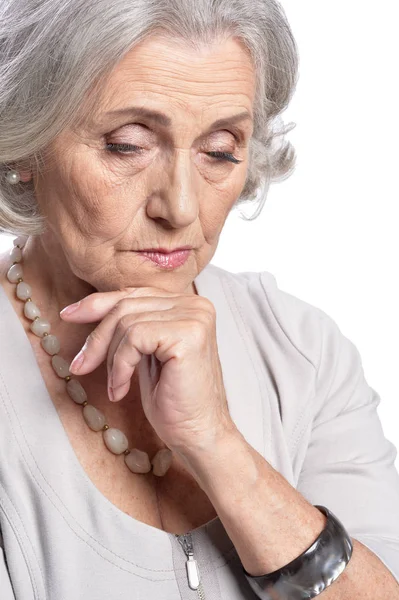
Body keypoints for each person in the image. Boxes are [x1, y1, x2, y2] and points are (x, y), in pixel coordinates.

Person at [0, 1, 398, 598]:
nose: (181, 208)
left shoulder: (302, 352)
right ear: (27, 141)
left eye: (219, 150)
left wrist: (218, 445)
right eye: (128, 145)